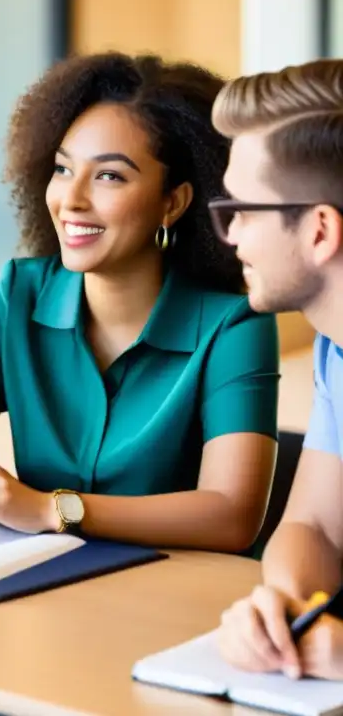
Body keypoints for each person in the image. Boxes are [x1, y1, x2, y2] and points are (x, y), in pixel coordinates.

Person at [0, 53, 280, 552]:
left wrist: (51, 509)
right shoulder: (17, 295)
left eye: (109, 176)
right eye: (62, 168)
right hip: (36, 583)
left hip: (172, 598)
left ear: (174, 202)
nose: (70, 199)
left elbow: (231, 515)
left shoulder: (235, 324)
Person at [213, 59, 343, 681]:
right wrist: (293, 614)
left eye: (241, 209)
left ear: (320, 231)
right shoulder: (337, 349)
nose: (230, 235)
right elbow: (314, 526)